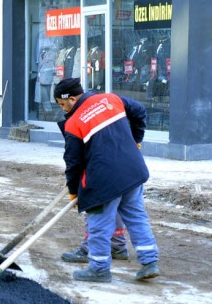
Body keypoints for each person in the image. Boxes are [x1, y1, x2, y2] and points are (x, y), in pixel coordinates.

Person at [54, 77, 160, 283]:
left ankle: (99, 269)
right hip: (133, 171)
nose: (62, 109)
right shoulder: (110, 99)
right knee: (137, 217)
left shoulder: (74, 123)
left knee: (99, 224)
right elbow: (139, 111)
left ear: (72, 99)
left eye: (62, 104)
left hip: (102, 181)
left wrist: (74, 191)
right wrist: (136, 140)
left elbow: (73, 162)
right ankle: (150, 262)